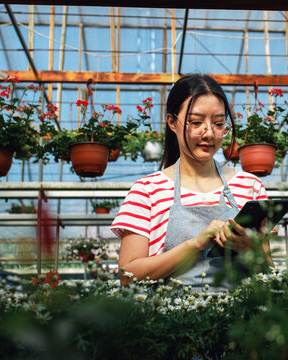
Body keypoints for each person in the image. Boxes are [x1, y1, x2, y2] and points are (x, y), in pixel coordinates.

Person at [111, 74, 272, 289]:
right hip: (173, 320)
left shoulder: (250, 187)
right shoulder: (148, 191)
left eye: (218, 123)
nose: (209, 133)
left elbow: (270, 273)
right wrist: (195, 244)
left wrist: (251, 250)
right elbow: (127, 276)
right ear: (172, 122)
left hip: (242, 320)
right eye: (196, 122)